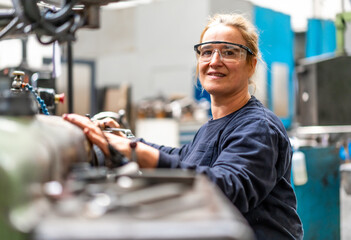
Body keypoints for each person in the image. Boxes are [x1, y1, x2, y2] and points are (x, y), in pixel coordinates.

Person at [63, 13, 303, 240]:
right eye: (206, 52)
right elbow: (183, 157)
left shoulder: (258, 126)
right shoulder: (213, 126)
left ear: (251, 65)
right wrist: (124, 141)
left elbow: (228, 189)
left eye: (229, 52)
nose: (215, 61)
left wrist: (135, 152)